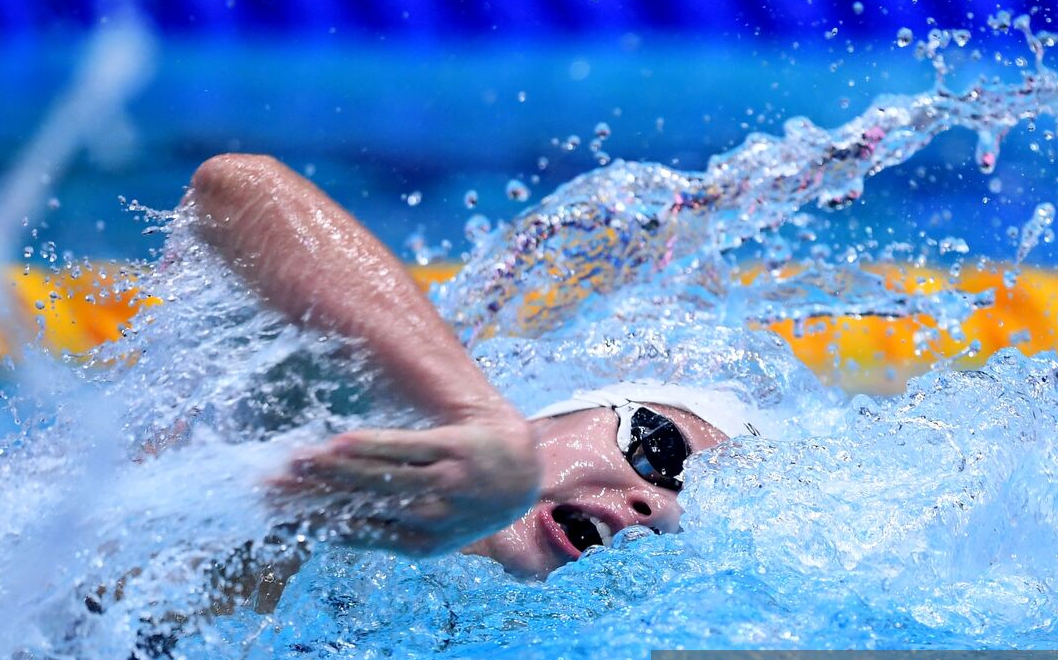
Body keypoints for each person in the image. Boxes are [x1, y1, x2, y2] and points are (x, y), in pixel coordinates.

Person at [187, 154, 764, 580]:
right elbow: (237, 191)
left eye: (687, 522)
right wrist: (477, 417)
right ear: (548, 418)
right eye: (658, 451)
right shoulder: (352, 435)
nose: (658, 506)